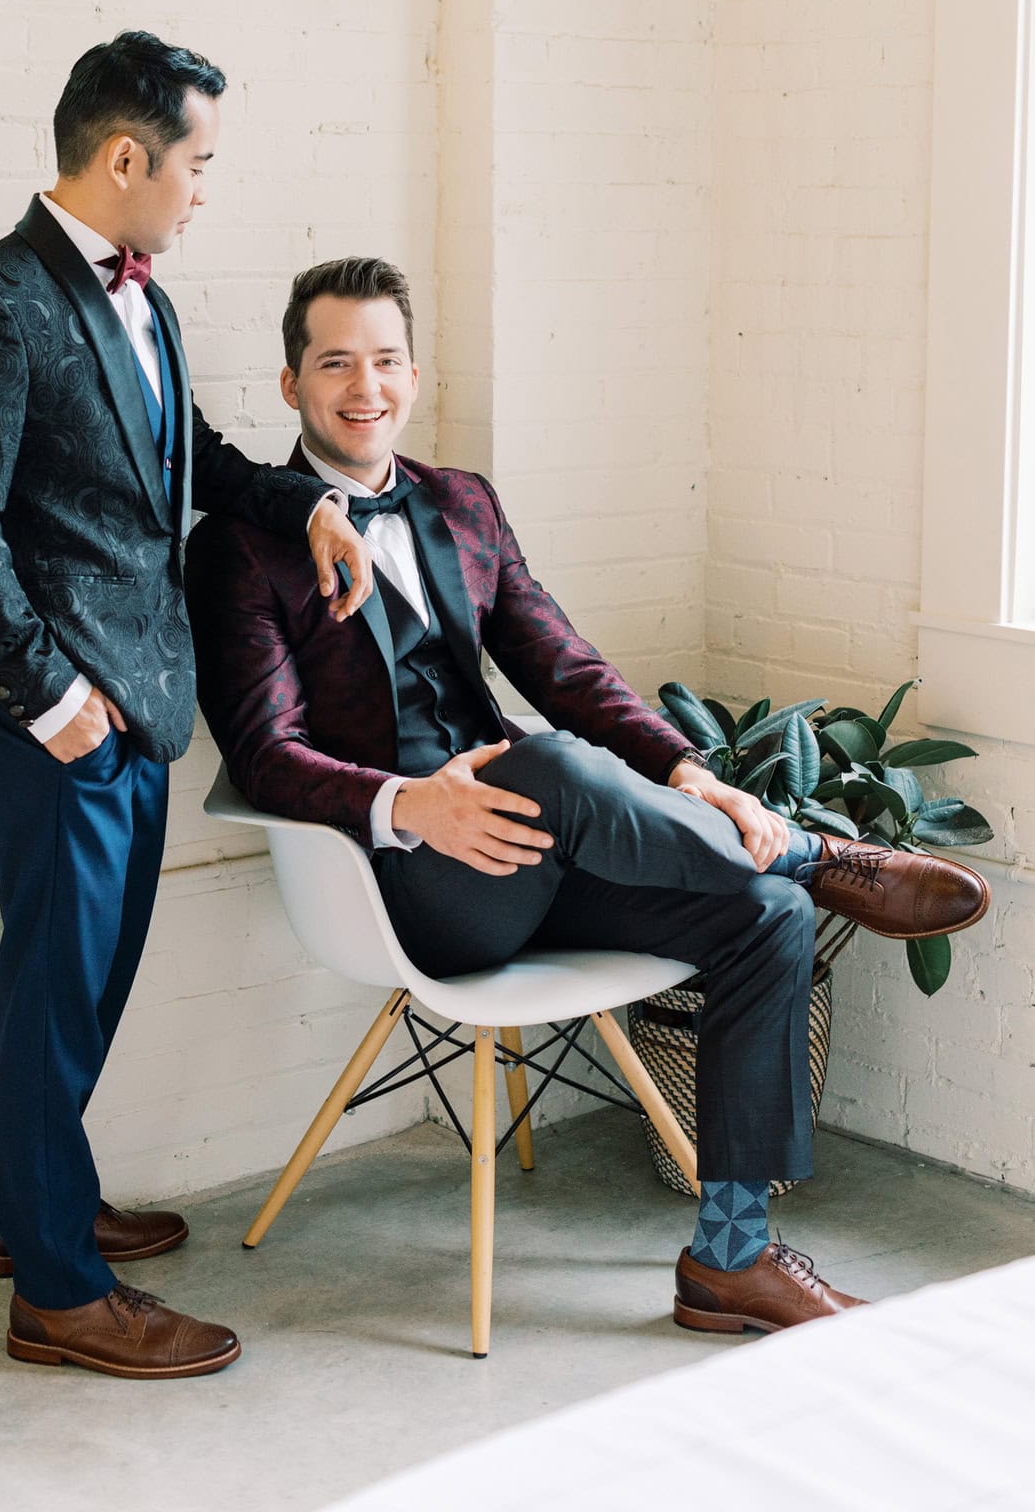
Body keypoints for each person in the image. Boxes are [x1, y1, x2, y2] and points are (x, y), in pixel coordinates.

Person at [185, 255, 989, 1335]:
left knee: (765, 915)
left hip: (540, 852)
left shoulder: (463, 503)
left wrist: (693, 774)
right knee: (558, 761)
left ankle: (730, 1257)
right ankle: (805, 844)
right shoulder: (238, 543)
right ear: (291, 385)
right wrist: (407, 803)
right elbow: (263, 750)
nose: (361, 386)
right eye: (334, 362)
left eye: (383, 360)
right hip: (415, 884)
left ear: (415, 375)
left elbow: (568, 668)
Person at [0, 34, 372, 1380]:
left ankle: (32, 1208)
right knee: (56, 989)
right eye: (197, 163)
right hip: (59, 725)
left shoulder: (142, 303)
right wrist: (52, 701)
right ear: (127, 156)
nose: (203, 191)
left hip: (141, 712)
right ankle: (56, 1290)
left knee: (86, 982)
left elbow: (192, 465)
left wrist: (310, 502)